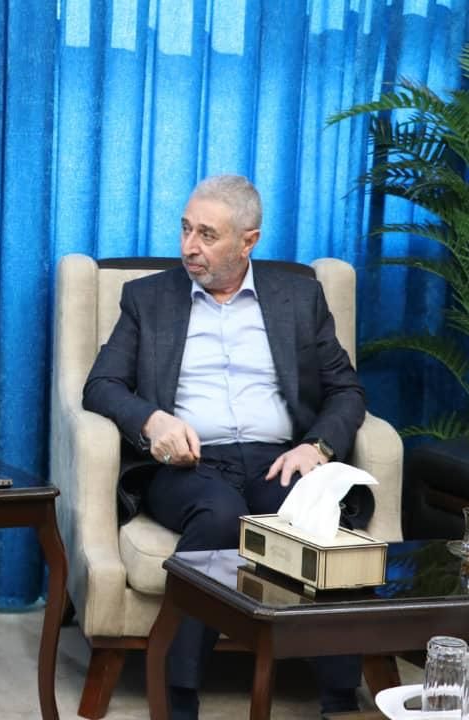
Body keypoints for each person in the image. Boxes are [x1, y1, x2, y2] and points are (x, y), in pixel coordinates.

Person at [82, 175, 367, 719]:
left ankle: (340, 699)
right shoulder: (147, 298)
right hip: (189, 465)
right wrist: (153, 422)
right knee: (219, 517)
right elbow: (101, 385)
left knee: (315, 520)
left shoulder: (299, 297)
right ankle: (179, 694)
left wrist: (317, 447)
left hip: (277, 458)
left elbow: (346, 391)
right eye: (186, 229)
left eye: (207, 235)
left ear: (248, 241)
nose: (190, 246)